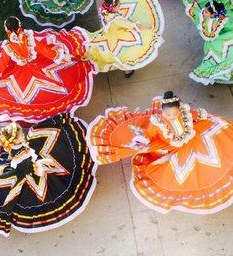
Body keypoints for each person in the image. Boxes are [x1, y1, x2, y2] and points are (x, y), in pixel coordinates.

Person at [87, 91, 233, 214]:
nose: (171, 116)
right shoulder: (158, 123)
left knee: (218, 149)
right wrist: (142, 141)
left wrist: (203, 116)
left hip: (191, 141)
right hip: (168, 146)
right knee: (177, 173)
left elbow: (195, 115)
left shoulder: (184, 115)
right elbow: (150, 135)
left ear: (178, 110)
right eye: (168, 114)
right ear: (163, 112)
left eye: (174, 113)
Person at [0, 113, 97, 237]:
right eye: (20, 135)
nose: (22, 134)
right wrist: (40, 163)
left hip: (25, 164)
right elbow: (24, 167)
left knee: (38, 137)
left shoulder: (17, 148)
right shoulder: (19, 153)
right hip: (28, 171)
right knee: (50, 154)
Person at [0, 16, 94, 125]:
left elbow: (1, 66)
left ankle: (34, 121)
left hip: (21, 73)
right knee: (59, 81)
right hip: (37, 64)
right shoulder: (30, 38)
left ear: (7, 31)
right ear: (20, 27)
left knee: (22, 100)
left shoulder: (8, 48)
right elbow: (47, 52)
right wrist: (63, 57)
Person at [83, 0, 164, 78]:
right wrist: (147, 27)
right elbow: (133, 26)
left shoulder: (103, 9)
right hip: (117, 37)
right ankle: (128, 70)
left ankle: (127, 70)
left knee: (116, 55)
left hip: (106, 34)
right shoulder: (117, 19)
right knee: (125, 55)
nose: (119, 7)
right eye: (118, 6)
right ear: (113, 8)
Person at [182, 0, 232, 84]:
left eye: (206, 12)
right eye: (204, 10)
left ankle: (225, 71)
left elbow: (209, 34)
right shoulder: (208, 19)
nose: (203, 12)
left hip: (220, 41)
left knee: (224, 54)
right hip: (217, 40)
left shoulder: (216, 22)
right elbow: (196, 13)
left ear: (213, 15)